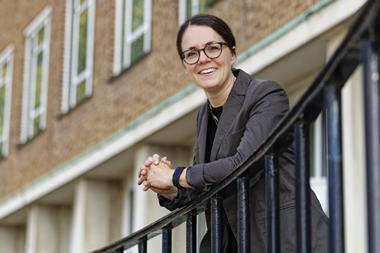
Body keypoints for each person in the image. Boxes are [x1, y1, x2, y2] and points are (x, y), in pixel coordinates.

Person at [138, 14, 328, 253]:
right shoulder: (204, 115)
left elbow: (244, 164)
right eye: (192, 53)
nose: (203, 59)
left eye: (213, 48)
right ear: (185, 65)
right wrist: (170, 188)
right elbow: (209, 184)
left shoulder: (266, 95)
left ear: (233, 53)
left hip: (288, 239)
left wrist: (175, 175)